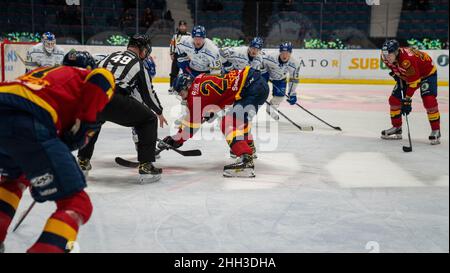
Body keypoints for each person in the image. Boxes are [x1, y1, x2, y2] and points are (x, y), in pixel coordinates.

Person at [0, 51, 115, 253]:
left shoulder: (45, 72)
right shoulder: (86, 75)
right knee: (77, 202)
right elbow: (102, 77)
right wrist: (85, 120)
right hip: (29, 120)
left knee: (14, 180)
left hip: (8, 107)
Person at [77, 35, 167, 183]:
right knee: (148, 119)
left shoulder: (109, 56)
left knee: (94, 122)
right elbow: (147, 94)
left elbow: (90, 73)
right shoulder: (138, 63)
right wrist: (159, 111)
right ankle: (146, 166)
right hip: (114, 98)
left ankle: (82, 161)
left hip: (91, 97)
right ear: (143, 50)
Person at [159, 66, 269, 178]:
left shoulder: (194, 96)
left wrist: (176, 140)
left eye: (181, 94)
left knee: (228, 123)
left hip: (251, 87)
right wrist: (212, 110)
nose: (182, 99)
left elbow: (191, 127)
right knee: (238, 120)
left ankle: (246, 160)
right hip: (254, 81)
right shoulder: (200, 78)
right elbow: (218, 95)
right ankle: (249, 146)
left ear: (188, 86)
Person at [380, 39, 441, 144]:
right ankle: (397, 128)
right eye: (385, 55)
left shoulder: (407, 60)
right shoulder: (385, 56)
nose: (386, 58)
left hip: (427, 74)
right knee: (394, 100)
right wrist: (396, 75)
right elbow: (393, 67)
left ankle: (436, 130)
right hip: (409, 75)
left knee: (429, 100)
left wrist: (407, 100)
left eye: (389, 55)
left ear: (396, 52)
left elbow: (415, 83)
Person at [261, 41, 300, 120]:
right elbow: (260, 61)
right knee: (260, 92)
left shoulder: (295, 63)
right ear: (280, 52)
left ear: (290, 53)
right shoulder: (270, 56)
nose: (285, 55)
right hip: (266, 73)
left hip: (280, 78)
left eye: (287, 53)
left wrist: (292, 93)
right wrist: (263, 72)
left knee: (280, 97)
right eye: (283, 52)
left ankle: (271, 108)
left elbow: (293, 79)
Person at [169, 20, 191, 94]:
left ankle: (187, 86)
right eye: (181, 26)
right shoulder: (175, 36)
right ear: (179, 27)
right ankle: (172, 86)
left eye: (184, 26)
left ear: (186, 27)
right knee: (174, 72)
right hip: (177, 55)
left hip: (186, 56)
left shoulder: (189, 35)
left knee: (187, 72)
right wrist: (171, 53)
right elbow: (172, 44)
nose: (182, 27)